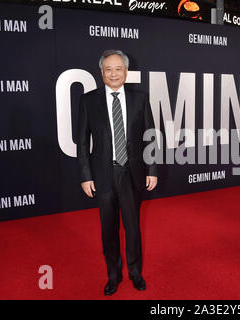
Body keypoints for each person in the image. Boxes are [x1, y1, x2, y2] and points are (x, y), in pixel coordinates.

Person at [77, 49, 158, 295]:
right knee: (108, 229)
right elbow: (81, 142)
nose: (114, 73)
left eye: (118, 68)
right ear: (101, 72)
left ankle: (135, 272)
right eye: (108, 69)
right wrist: (85, 175)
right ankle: (113, 275)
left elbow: (150, 137)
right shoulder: (88, 100)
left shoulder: (140, 98)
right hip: (103, 175)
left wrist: (152, 169)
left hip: (132, 172)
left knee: (133, 228)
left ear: (126, 71)